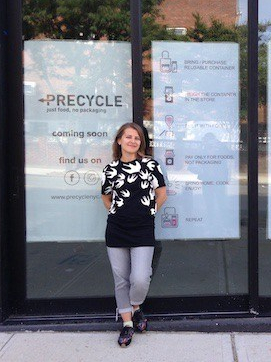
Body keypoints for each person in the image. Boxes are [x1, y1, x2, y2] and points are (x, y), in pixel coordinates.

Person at [100, 122, 167, 347]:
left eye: (137, 138)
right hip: (116, 229)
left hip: (143, 229)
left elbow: (162, 194)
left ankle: (136, 305)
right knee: (121, 280)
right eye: (128, 137)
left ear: (141, 142)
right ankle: (127, 323)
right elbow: (106, 197)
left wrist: (149, 213)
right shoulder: (110, 169)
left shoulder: (150, 165)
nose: (132, 141)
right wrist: (117, 212)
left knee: (139, 277)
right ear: (119, 140)